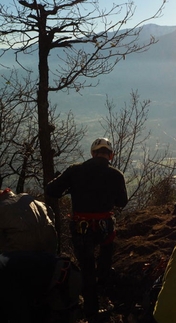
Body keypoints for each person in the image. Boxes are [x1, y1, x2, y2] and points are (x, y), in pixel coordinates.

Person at [46, 137, 128, 322]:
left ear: (93, 153)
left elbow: (52, 190)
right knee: (105, 261)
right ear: (111, 155)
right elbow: (121, 202)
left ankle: (91, 311)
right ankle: (107, 294)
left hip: (81, 227)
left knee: (87, 268)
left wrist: (69, 188)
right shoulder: (116, 175)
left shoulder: (75, 170)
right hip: (105, 227)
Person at [0, 188, 57, 254]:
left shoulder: (2, 207)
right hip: (48, 254)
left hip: (18, 257)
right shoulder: (32, 200)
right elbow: (51, 217)